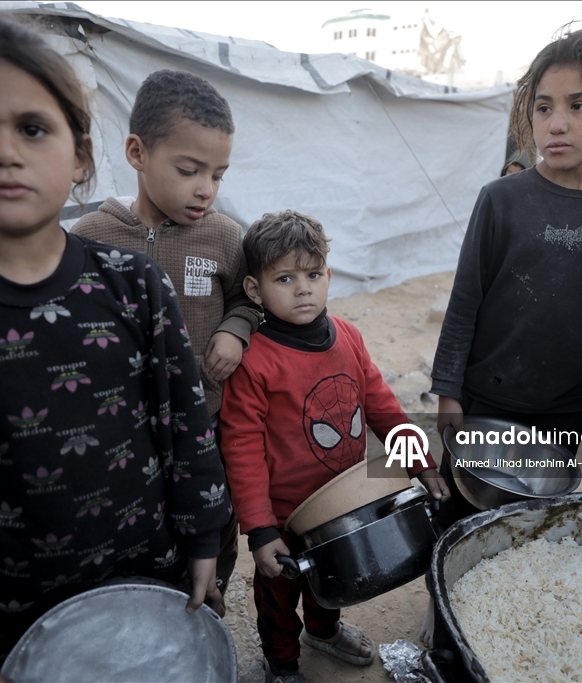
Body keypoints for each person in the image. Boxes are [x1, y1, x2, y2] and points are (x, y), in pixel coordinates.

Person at [0, 16, 229, 682]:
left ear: (81, 154)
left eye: (32, 128)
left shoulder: (132, 283)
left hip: (154, 580)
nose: (4, 150)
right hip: (21, 612)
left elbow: (185, 423)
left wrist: (205, 535)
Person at [422, 27, 582, 645]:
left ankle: (497, 645)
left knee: (526, 537)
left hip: (561, 410)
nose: (556, 122)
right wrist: (448, 391)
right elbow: (465, 298)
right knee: (456, 528)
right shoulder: (501, 199)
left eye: (578, 105)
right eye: (543, 106)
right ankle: (443, 641)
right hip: (484, 401)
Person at [219, 210, 450, 683]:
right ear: (254, 290)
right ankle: (281, 662)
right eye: (284, 278)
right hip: (285, 514)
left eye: (312, 274)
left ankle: (323, 632)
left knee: (338, 578)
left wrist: (421, 464)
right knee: (279, 595)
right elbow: (240, 445)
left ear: (327, 273)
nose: (302, 288)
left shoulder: (348, 337)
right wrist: (261, 531)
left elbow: (382, 405)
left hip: (347, 503)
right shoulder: (255, 361)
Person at [71, 70, 261, 604]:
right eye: (189, 170)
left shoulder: (224, 236)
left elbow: (251, 296)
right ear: (137, 152)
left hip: (210, 423)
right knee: (139, 528)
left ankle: (211, 603)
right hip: (125, 436)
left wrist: (235, 328)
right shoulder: (91, 239)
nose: (206, 188)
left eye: (218, 175)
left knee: (215, 520)